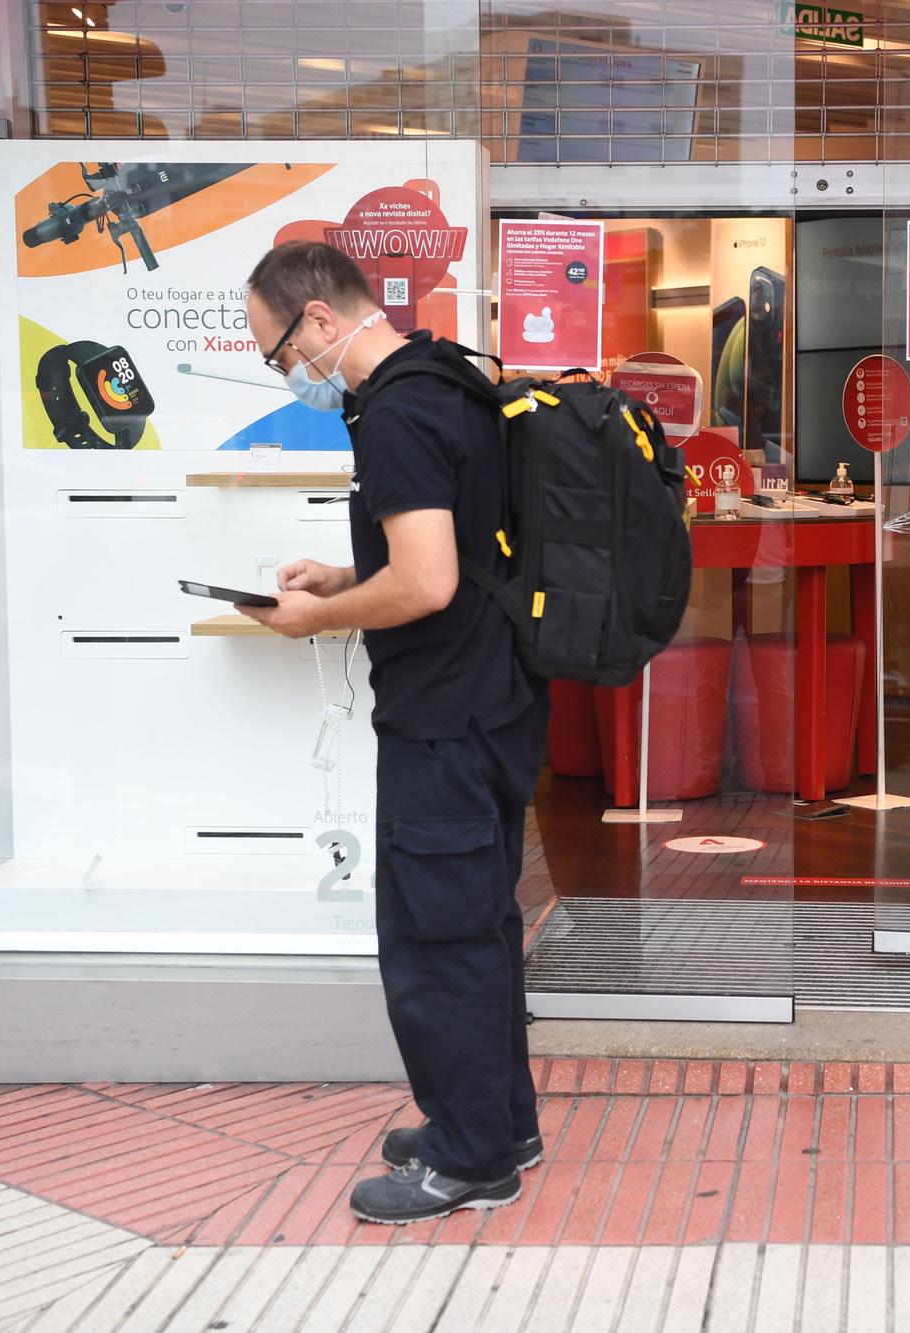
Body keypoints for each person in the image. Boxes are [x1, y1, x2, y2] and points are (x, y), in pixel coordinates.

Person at [236, 240, 546, 1225]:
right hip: (496, 700)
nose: (286, 371)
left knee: (436, 940)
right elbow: (443, 545)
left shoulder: (399, 411)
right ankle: (499, 1122)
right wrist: (341, 576)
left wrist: (312, 617)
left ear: (320, 320)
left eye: (277, 350)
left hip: (443, 719)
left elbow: (425, 581)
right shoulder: (450, 378)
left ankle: (467, 1161)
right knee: (481, 925)